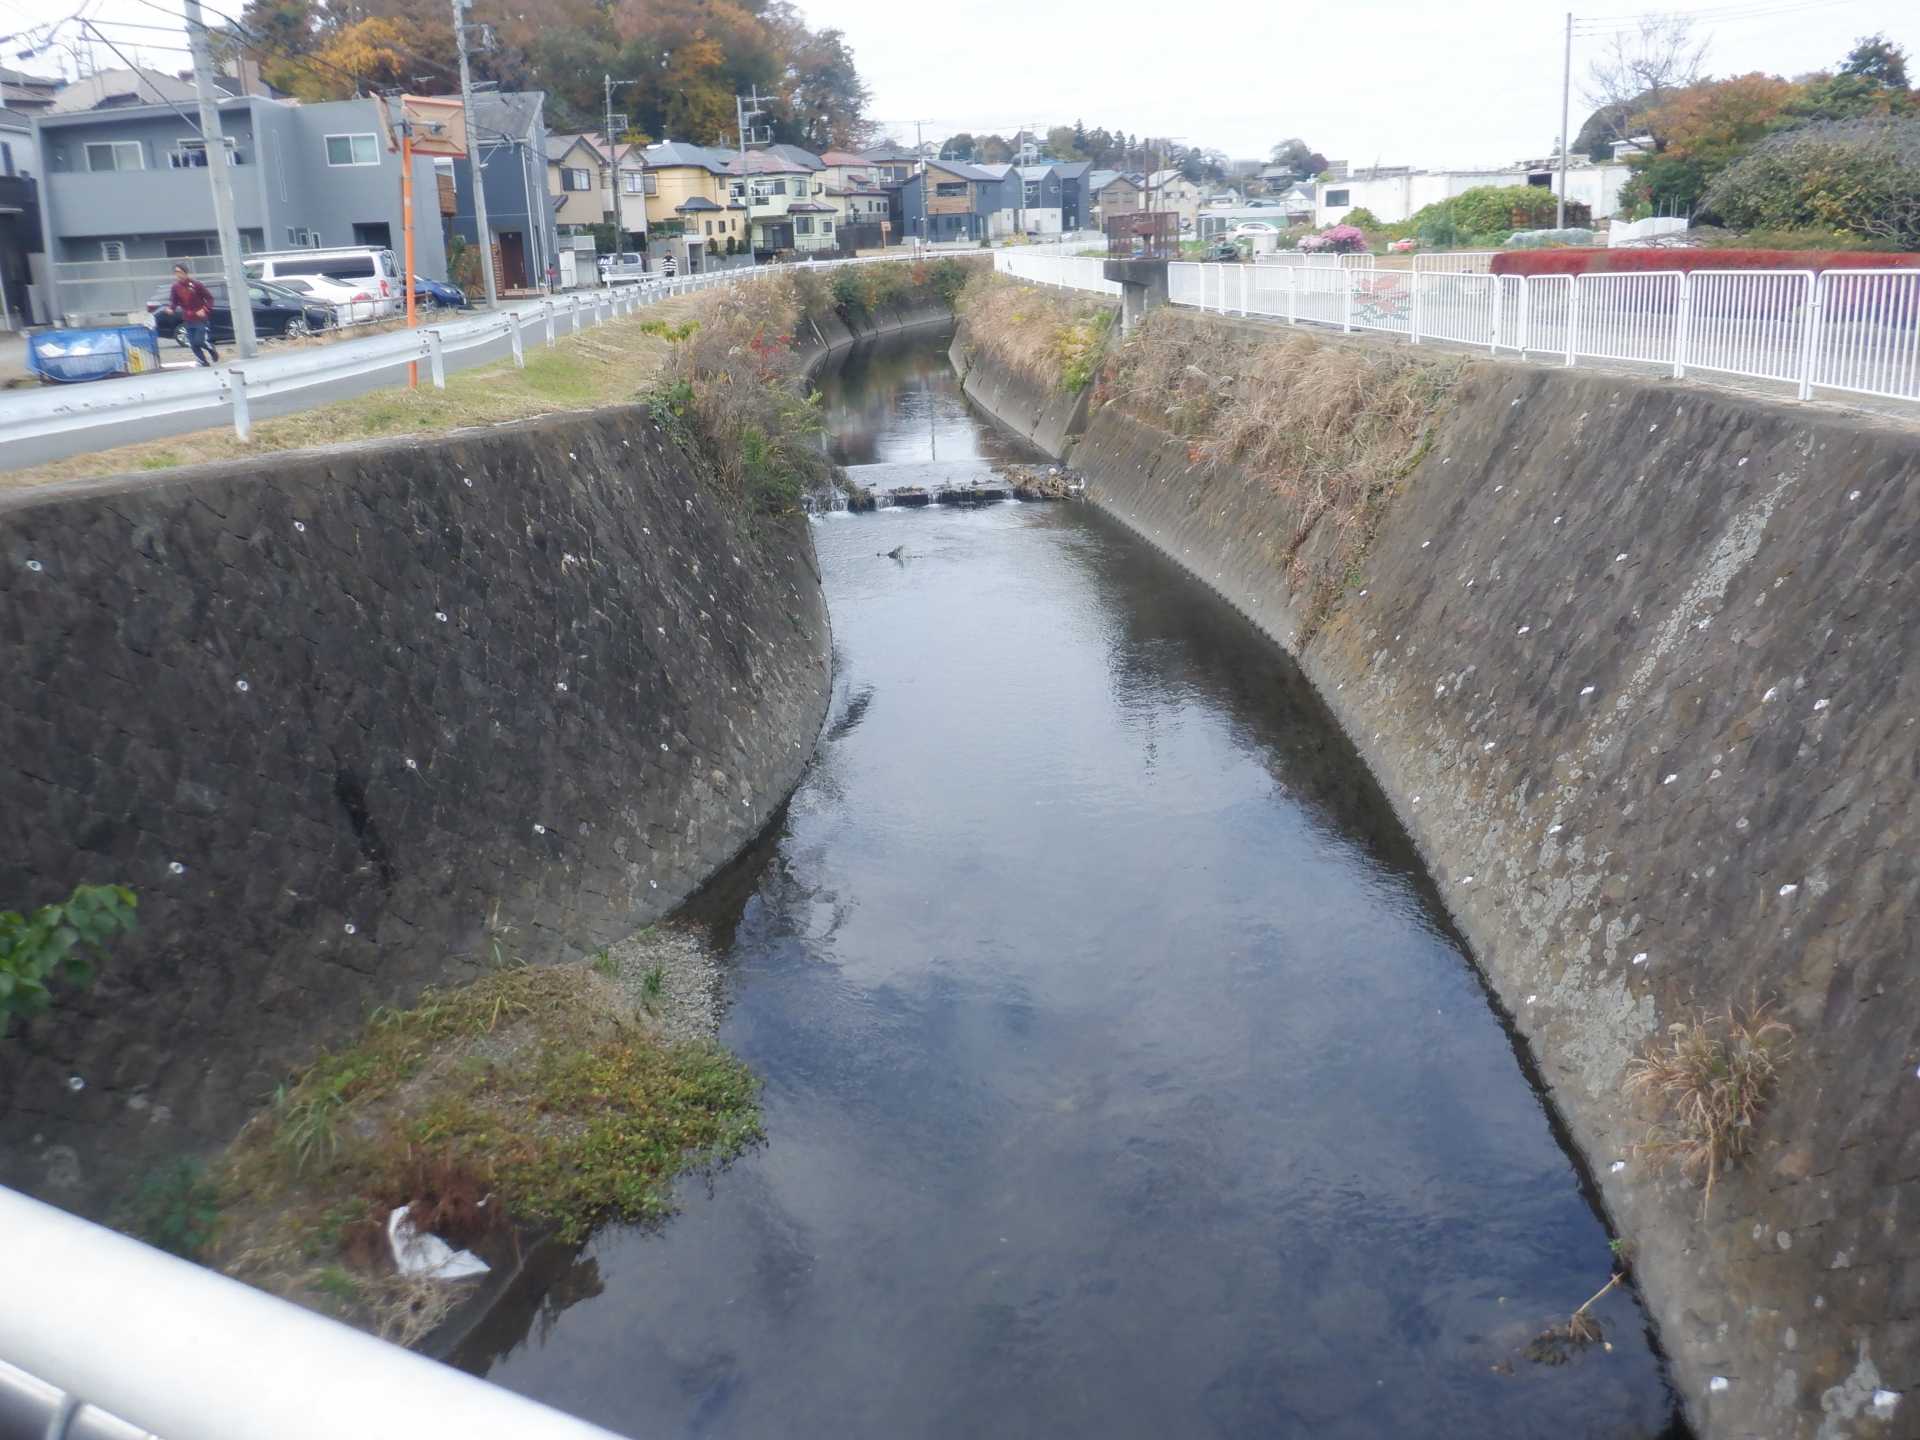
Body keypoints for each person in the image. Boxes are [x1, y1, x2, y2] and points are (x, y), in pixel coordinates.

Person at [167, 262, 219, 367]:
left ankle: (211, 348)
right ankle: (203, 361)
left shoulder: (196, 285)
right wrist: (171, 308)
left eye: (180, 272)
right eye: (176, 272)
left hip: (200, 318)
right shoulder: (175, 287)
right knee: (192, 343)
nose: (178, 274)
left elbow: (209, 298)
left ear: (185, 273)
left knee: (199, 341)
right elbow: (174, 301)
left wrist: (205, 309)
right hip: (187, 318)